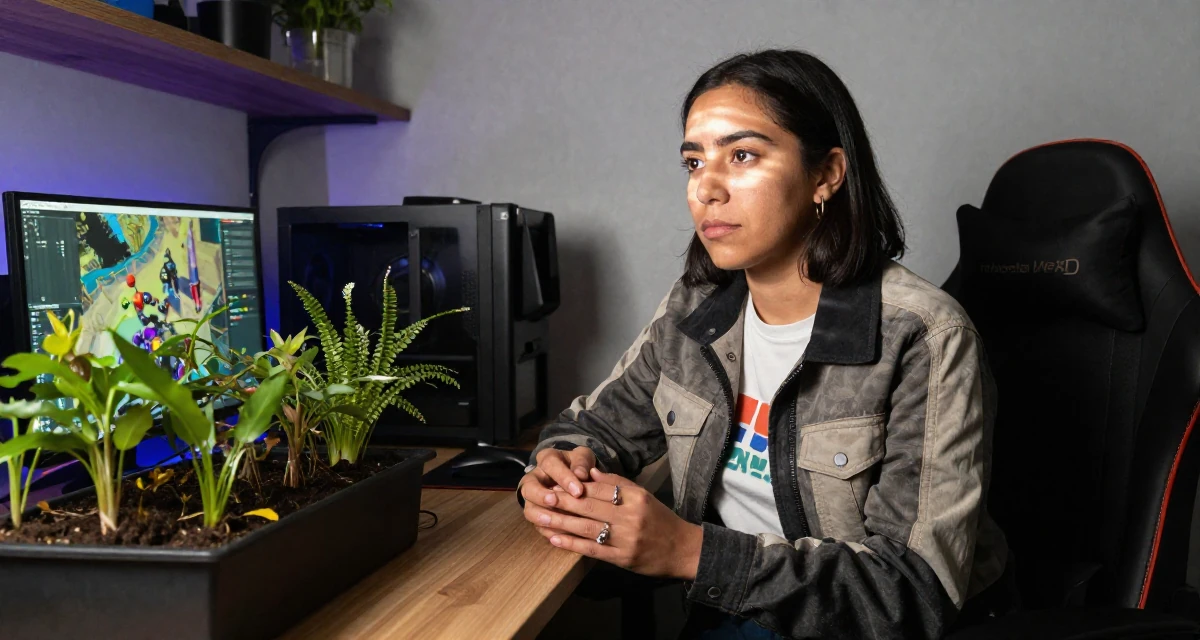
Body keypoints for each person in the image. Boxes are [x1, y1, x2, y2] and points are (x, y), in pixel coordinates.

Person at [518, 49, 1013, 639]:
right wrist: (559, 468)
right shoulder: (695, 307)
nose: (707, 188)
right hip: (726, 612)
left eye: (743, 155)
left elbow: (910, 591)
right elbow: (593, 428)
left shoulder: (924, 336)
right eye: (693, 161)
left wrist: (688, 553)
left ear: (826, 174)